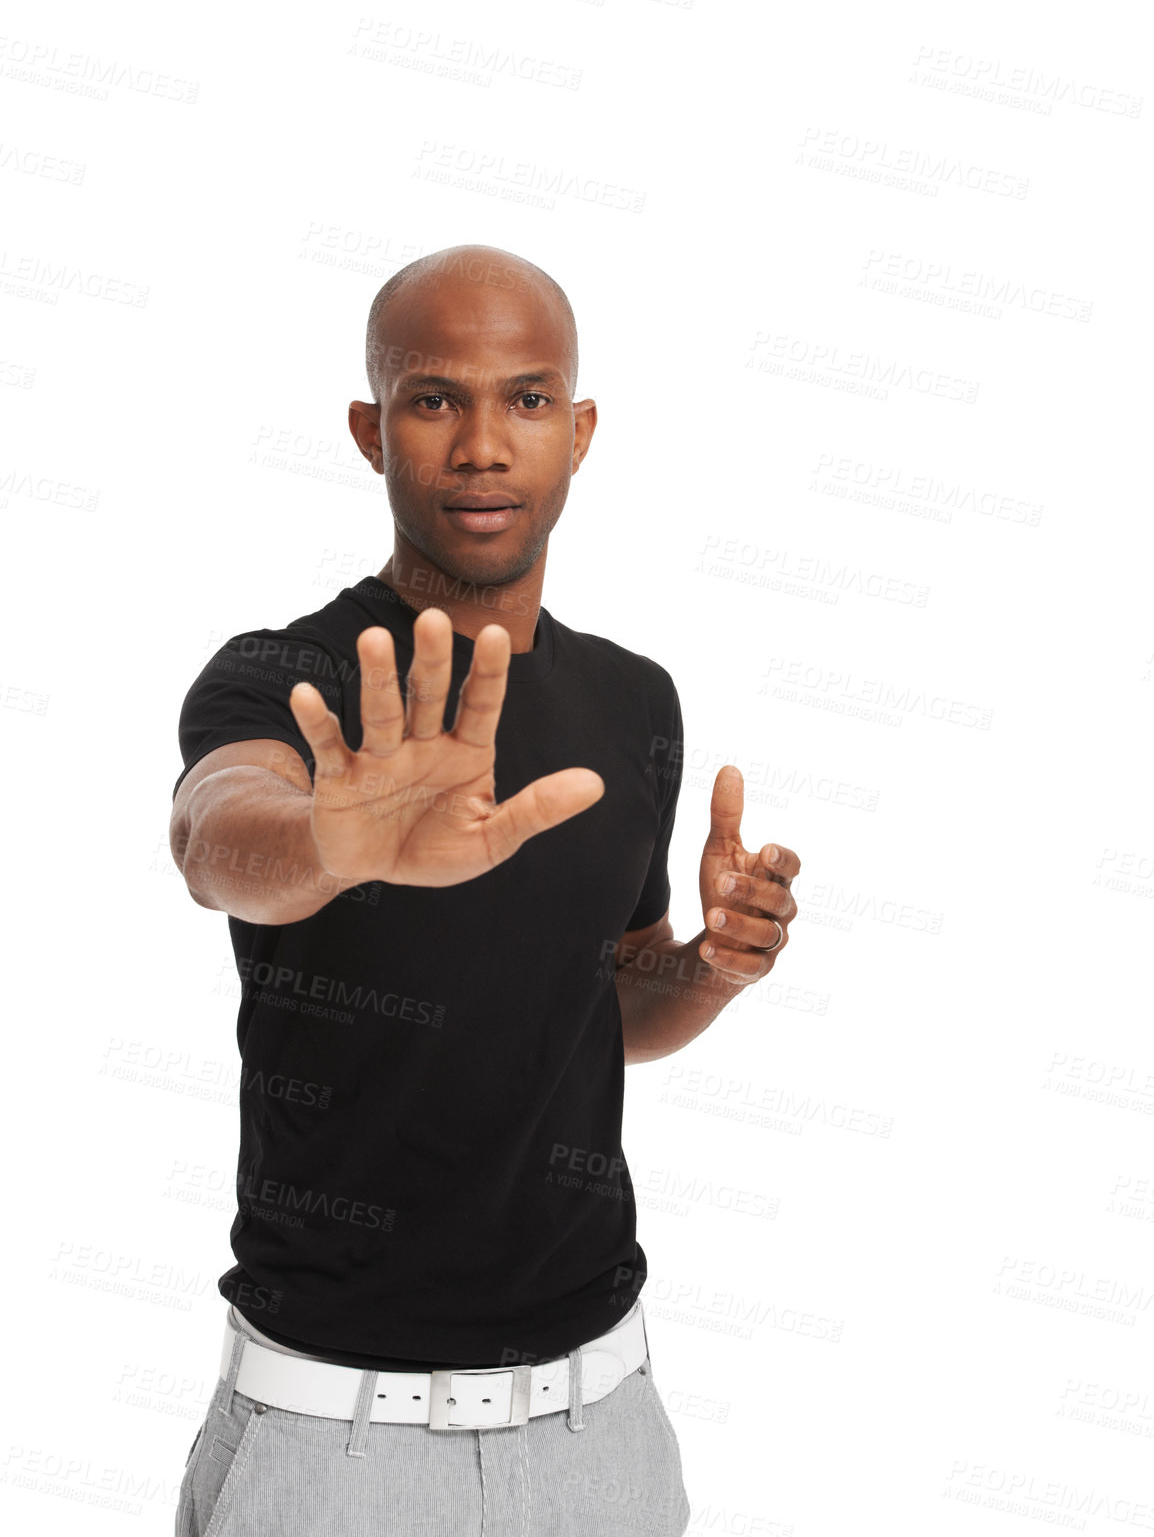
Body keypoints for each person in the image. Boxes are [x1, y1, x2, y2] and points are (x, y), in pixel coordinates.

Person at [168, 243, 800, 1536]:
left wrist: (710, 972)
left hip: (602, 1430)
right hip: (332, 1445)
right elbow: (213, 835)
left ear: (576, 433)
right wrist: (334, 844)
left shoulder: (635, 701)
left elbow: (607, 1004)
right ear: (370, 430)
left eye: (524, 399)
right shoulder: (285, 675)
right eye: (433, 398)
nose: (480, 446)